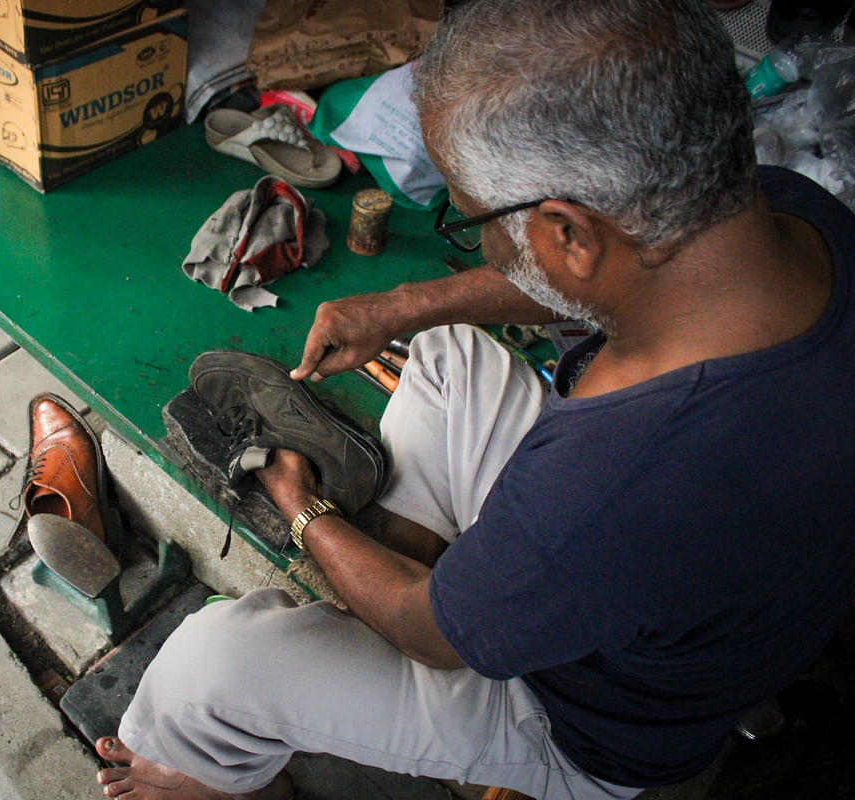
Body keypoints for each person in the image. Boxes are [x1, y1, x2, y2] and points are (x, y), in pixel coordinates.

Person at [93, 1, 855, 798]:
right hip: (697, 591)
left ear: (569, 234)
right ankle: (413, 569)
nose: (474, 230)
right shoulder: (792, 218)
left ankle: (192, 774)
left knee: (211, 664)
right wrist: (405, 305)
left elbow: (436, 636)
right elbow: (604, 277)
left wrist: (300, 505)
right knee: (451, 352)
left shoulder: (618, 479)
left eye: (474, 215)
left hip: (587, 727)